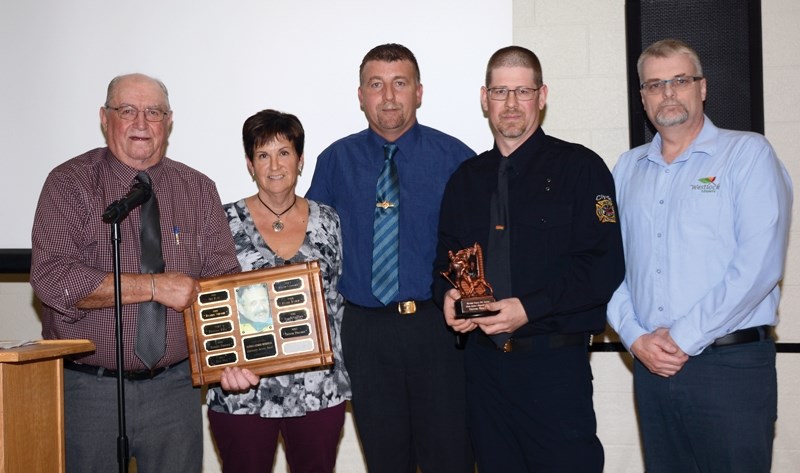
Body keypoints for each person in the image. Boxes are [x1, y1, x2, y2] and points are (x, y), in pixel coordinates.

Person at [29, 73, 240, 472]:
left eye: (153, 112)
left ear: (169, 121)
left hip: (176, 392)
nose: (141, 123)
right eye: (127, 110)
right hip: (88, 392)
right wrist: (154, 286)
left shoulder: (198, 189)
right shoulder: (69, 184)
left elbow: (222, 281)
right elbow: (53, 279)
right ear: (105, 118)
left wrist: (235, 356)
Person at [432, 45, 624, 473]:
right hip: (481, 370)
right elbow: (443, 263)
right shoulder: (465, 180)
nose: (512, 104)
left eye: (523, 91)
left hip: (553, 368)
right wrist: (447, 298)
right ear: (485, 99)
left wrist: (528, 308)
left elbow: (604, 266)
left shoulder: (581, 168)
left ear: (542, 95)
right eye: (501, 92)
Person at [607, 39, 793, 473]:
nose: (668, 93)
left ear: (702, 88)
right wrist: (635, 337)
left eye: (679, 80)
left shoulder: (747, 154)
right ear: (643, 97)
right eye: (655, 84)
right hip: (652, 368)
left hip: (731, 368)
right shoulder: (626, 168)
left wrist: (682, 337)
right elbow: (608, 264)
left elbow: (758, 266)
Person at [306, 43, 475, 472]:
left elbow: (478, 249)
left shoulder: (457, 159)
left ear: (419, 92)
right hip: (365, 332)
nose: (388, 97)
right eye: (376, 85)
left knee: (450, 457)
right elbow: (311, 248)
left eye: (400, 84)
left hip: (437, 329)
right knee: (385, 459)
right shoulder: (335, 161)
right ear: (360, 95)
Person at [206, 109, 351, 473]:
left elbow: (337, 300)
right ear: (249, 164)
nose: (274, 165)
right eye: (263, 154)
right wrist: (222, 364)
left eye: (284, 152)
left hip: (318, 391)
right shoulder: (219, 222)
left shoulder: (329, 219)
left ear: (300, 160)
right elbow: (207, 303)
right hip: (242, 390)